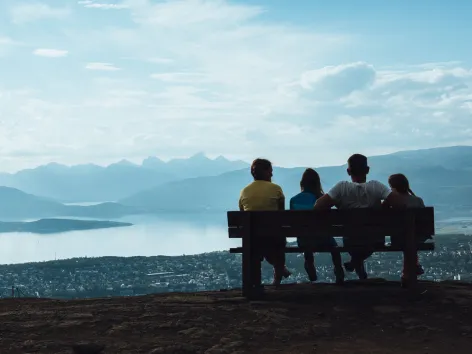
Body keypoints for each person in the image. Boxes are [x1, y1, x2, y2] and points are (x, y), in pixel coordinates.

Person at [314, 154, 400, 279]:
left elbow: (318, 206)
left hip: (350, 240)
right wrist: (383, 205)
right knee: (366, 238)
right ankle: (356, 263)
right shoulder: (376, 186)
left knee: (357, 240)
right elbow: (398, 203)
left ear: (348, 171)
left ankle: (355, 262)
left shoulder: (341, 187)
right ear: (367, 170)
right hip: (375, 240)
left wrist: (337, 203)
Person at [239, 158, 291, 285]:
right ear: (265, 172)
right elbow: (281, 214)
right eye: (270, 171)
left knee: (261, 242)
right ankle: (278, 274)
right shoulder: (276, 189)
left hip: (252, 238)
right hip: (273, 237)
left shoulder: (244, 191)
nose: (272, 174)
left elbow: (242, 214)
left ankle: (255, 284)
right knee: (278, 240)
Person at [290, 168, 344, 284]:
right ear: (317, 183)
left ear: (302, 184)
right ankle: (338, 267)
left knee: (306, 236)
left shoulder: (293, 200)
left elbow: (293, 224)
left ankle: (309, 262)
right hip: (323, 239)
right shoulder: (323, 199)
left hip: (304, 240)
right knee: (334, 247)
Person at [387, 173, 426, 285]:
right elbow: (423, 223)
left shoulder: (391, 200)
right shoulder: (417, 200)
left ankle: (407, 274)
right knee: (411, 240)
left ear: (392, 187)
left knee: (407, 239)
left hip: (397, 238)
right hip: (418, 237)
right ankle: (411, 270)